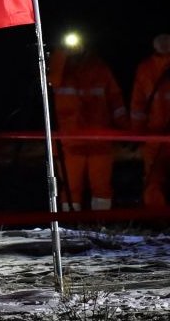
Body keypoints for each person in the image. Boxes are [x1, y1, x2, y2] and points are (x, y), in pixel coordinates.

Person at [48, 33, 128, 211]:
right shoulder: (60, 67)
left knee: (101, 188)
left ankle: (101, 226)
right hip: (69, 142)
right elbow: (51, 81)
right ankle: (70, 228)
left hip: (99, 140)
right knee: (71, 188)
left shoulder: (100, 68)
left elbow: (115, 100)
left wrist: (126, 130)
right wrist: (62, 54)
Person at [130, 34, 170, 207]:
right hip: (154, 135)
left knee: (154, 181)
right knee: (153, 181)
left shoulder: (146, 68)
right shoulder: (145, 69)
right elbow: (138, 105)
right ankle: (157, 218)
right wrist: (137, 134)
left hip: (154, 136)